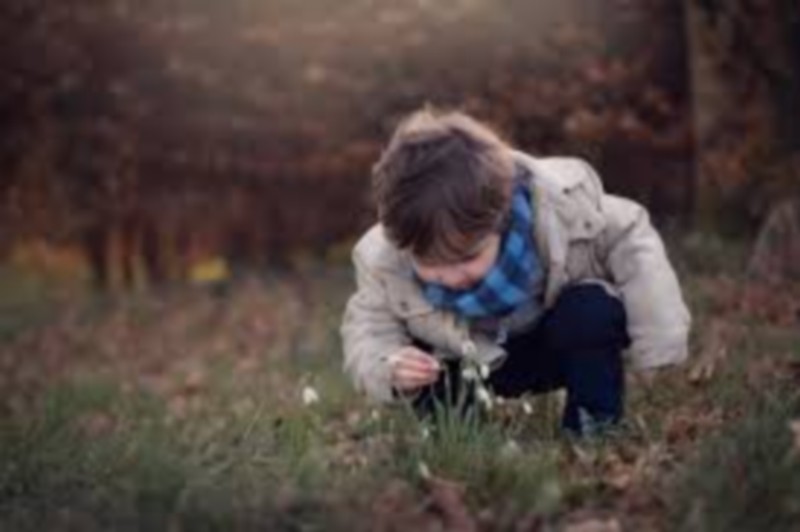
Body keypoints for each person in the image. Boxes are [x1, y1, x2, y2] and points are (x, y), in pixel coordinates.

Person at [339, 108, 691, 435]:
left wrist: (658, 339)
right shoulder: (386, 261)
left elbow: (633, 240)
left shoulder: (563, 210)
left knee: (589, 308)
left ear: (501, 219)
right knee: (421, 357)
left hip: (553, 345)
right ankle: (459, 437)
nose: (453, 276)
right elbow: (368, 329)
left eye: (467, 257)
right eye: (431, 264)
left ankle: (594, 423)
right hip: (464, 363)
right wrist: (390, 366)